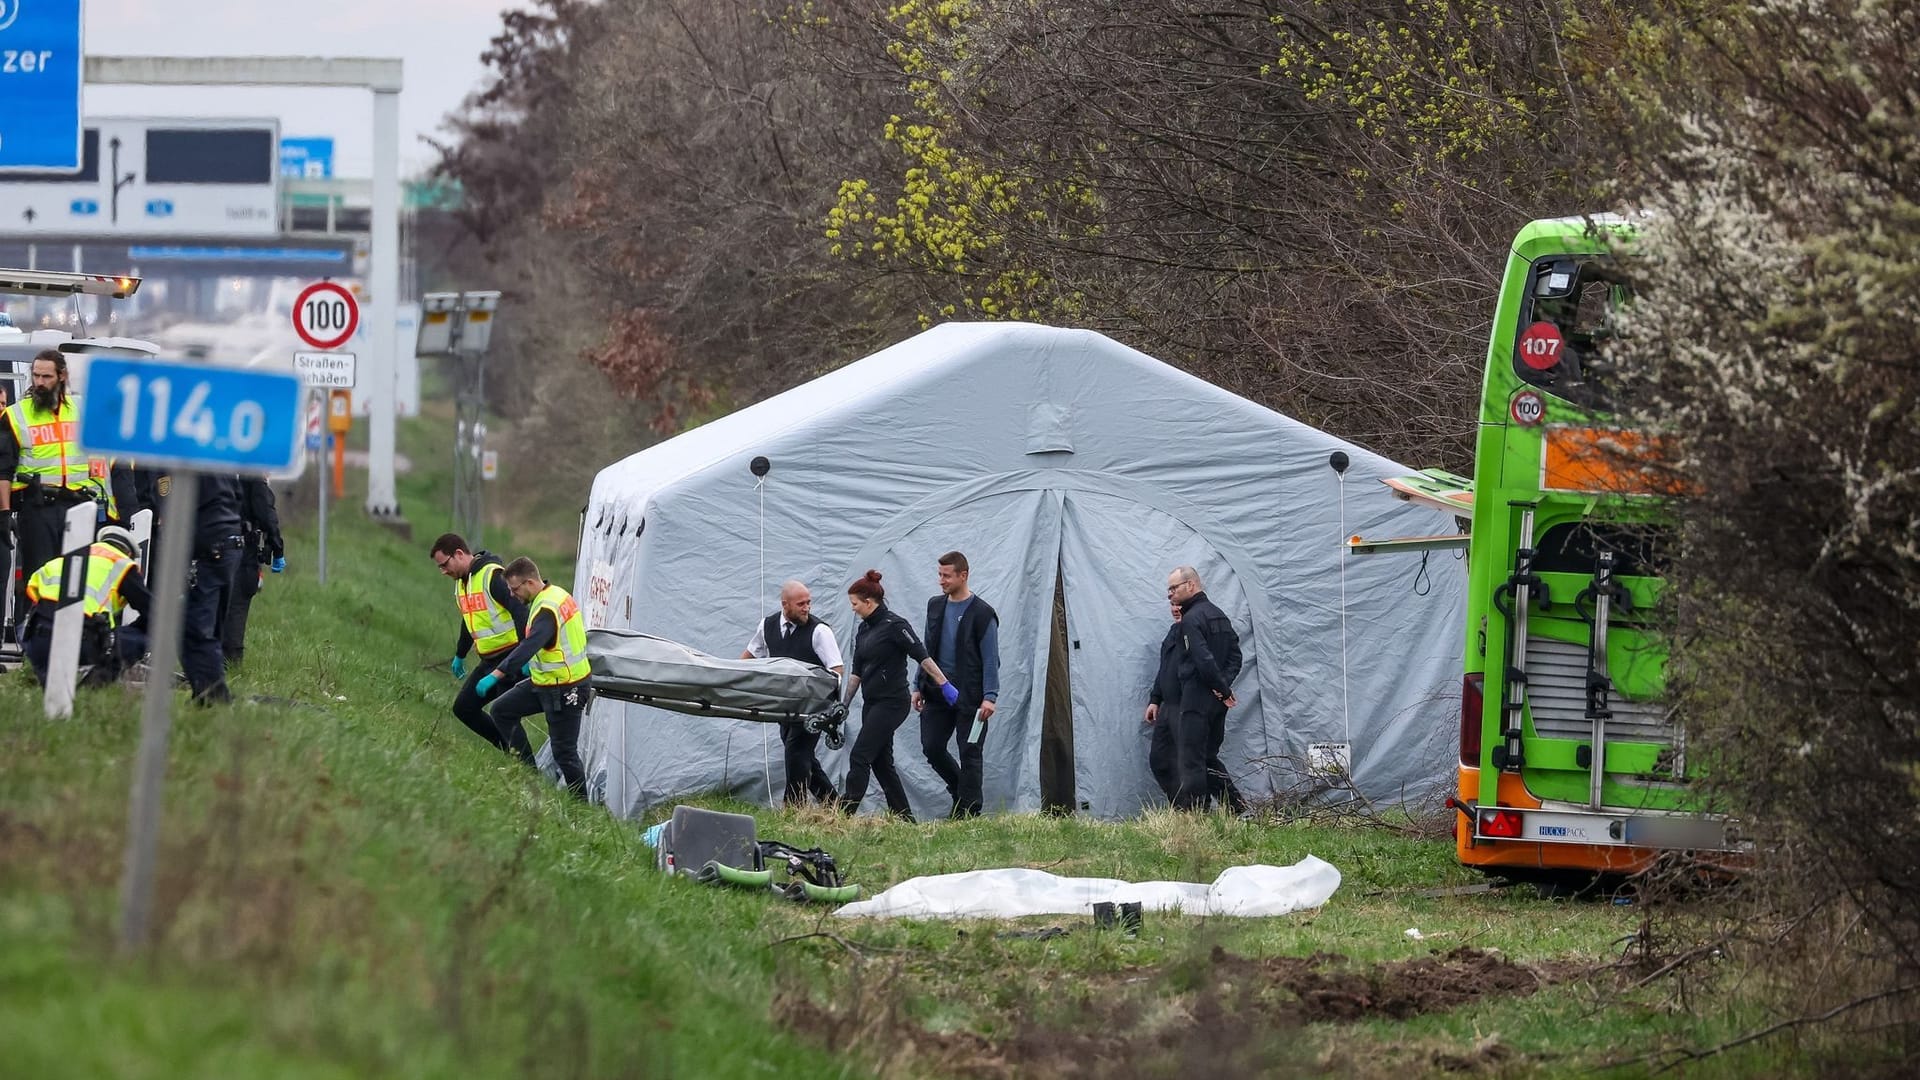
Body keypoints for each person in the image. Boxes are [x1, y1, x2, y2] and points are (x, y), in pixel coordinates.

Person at [0, 350, 111, 623]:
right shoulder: (16, 415)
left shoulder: (84, 410)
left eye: (46, 376)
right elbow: (3, 470)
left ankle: (74, 648)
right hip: (39, 508)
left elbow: (102, 462)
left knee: (76, 579)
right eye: (35, 375)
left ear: (62, 376)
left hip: (80, 506)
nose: (39, 381)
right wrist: (4, 513)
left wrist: (110, 509)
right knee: (39, 578)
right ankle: (34, 650)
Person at [841, 570, 961, 820]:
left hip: (892, 703)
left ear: (868, 602)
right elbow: (856, 672)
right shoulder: (863, 630)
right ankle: (905, 819)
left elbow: (922, 655)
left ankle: (842, 815)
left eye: (854, 604)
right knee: (881, 763)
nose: (852, 609)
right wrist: (844, 705)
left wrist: (944, 683)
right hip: (871, 703)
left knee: (860, 755)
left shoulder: (895, 625)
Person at [478, 557, 591, 798]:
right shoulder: (553, 595)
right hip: (545, 682)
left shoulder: (547, 610)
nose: (512, 594)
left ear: (529, 582)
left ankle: (582, 807)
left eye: (514, 589)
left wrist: (497, 674)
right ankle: (530, 776)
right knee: (501, 710)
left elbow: (530, 644)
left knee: (564, 753)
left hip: (567, 688)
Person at [141, 468, 245, 704]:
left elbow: (167, 504)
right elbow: (239, 495)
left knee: (194, 628)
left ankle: (213, 696)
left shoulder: (166, 459)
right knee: (213, 627)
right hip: (231, 545)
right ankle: (208, 693)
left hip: (209, 550)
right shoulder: (213, 454)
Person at [912, 551, 1000, 818]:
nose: (941, 581)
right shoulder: (935, 606)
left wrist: (990, 697)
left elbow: (991, 658)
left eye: (946, 575)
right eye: (939, 575)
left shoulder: (983, 613)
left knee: (970, 752)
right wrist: (917, 684)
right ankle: (961, 791)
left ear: (963, 575)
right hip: (936, 694)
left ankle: (968, 812)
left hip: (971, 697)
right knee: (932, 746)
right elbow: (926, 649)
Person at [742, 579, 844, 806]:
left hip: (814, 709)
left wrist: (827, 703)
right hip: (784, 706)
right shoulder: (767, 626)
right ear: (785, 605)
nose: (807, 608)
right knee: (805, 758)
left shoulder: (819, 631)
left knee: (796, 754)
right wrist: (731, 679)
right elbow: (749, 657)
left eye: (808, 602)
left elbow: (837, 669)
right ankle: (836, 806)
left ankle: (794, 809)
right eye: (801, 604)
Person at [430, 533, 528, 751]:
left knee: (504, 714)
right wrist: (460, 654)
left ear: (459, 554)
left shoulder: (493, 576)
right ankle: (509, 751)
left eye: (444, 565)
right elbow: (469, 619)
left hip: (511, 658)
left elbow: (521, 612)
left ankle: (526, 766)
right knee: (464, 708)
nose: (443, 571)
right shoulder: (462, 584)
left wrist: (524, 653)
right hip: (489, 660)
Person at [20, 525, 150, 687]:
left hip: (38, 641)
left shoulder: (66, 559)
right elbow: (153, 613)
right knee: (141, 639)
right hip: (79, 641)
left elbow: (32, 592)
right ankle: (87, 694)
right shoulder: (121, 565)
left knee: (50, 690)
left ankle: (46, 686)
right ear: (128, 553)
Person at [1164, 565, 1245, 812]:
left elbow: (1203, 659)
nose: (1170, 595)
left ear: (1191, 585)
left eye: (1173, 588)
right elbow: (1235, 656)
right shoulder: (1218, 615)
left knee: (1192, 759)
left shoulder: (1191, 619)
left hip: (1197, 699)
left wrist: (1221, 688)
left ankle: (1197, 815)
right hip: (1216, 701)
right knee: (1209, 756)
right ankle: (1238, 809)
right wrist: (1223, 689)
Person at [222, 475, 286, 665]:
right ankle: (231, 660)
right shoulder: (252, 466)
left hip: (210, 540)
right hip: (241, 545)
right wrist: (277, 547)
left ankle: (208, 657)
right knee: (238, 601)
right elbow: (264, 509)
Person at [1144, 599, 1185, 803]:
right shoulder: (1173, 632)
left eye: (1180, 605)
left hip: (1188, 706)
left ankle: (1233, 806)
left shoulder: (1197, 631)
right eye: (1172, 606)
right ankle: (1181, 806)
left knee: (1195, 761)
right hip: (1168, 706)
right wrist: (1155, 699)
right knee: (1160, 760)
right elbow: (1165, 669)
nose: (1175, 610)